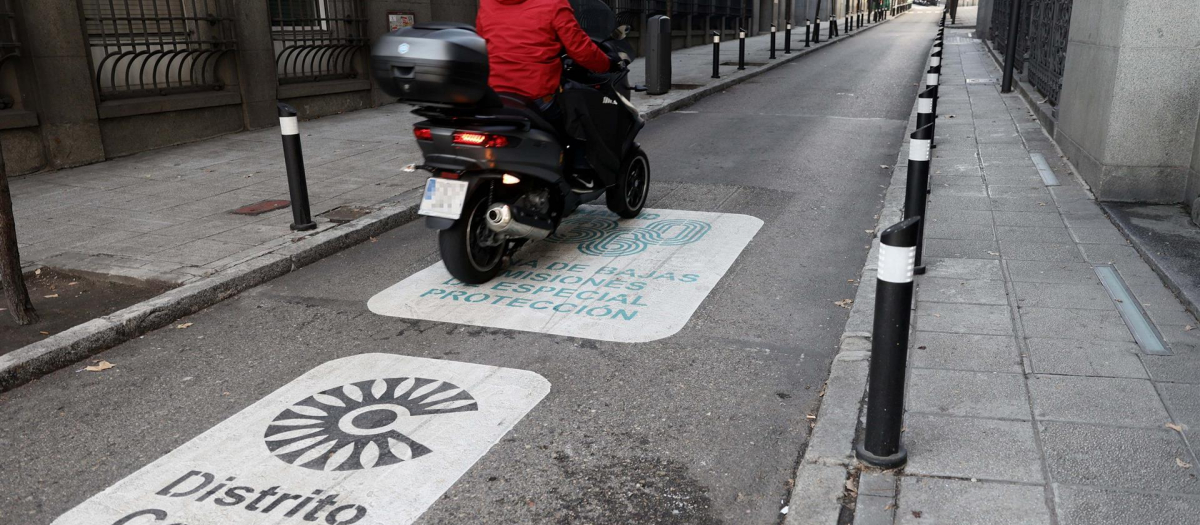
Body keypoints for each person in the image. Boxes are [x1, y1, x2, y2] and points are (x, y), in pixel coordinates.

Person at [475, 0, 619, 124]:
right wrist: (608, 64)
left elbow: (481, 42)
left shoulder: (487, 3)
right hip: (536, 98)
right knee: (583, 125)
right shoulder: (553, 3)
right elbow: (580, 48)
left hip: (495, 95)